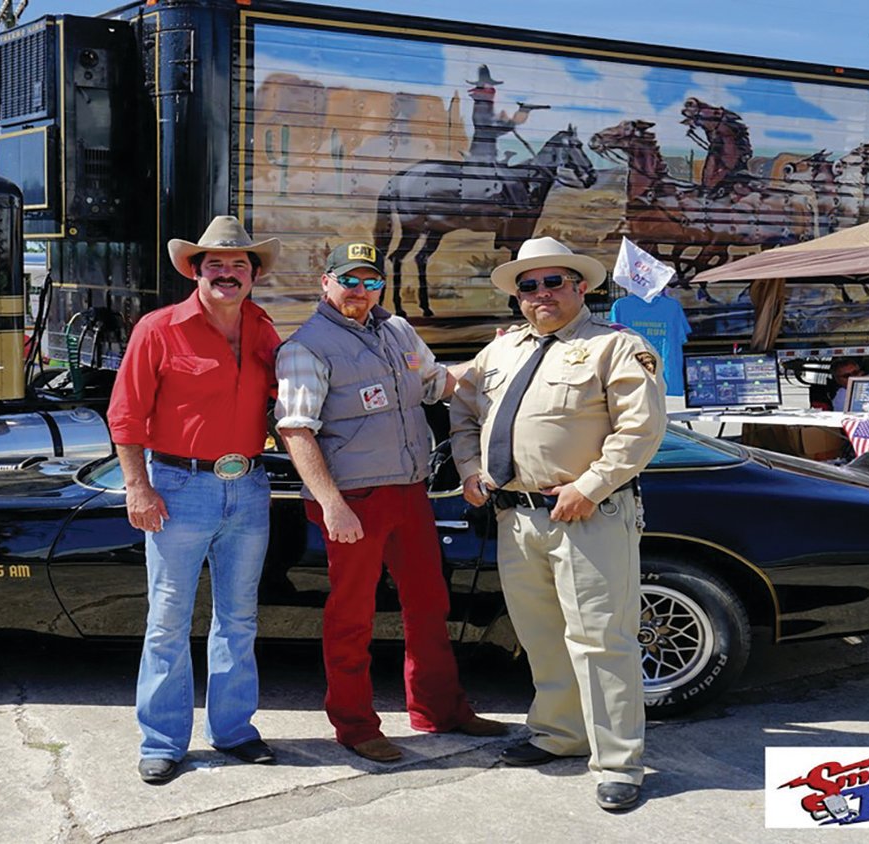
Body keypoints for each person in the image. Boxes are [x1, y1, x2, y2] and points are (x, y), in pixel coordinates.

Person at [449, 237, 665, 812]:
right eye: (529, 285)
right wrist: (470, 468)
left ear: (581, 287)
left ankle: (619, 762)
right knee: (541, 635)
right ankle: (560, 733)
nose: (541, 294)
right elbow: (463, 411)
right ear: (517, 296)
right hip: (518, 518)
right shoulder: (500, 353)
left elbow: (640, 430)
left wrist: (589, 487)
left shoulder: (615, 348)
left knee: (601, 641)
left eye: (554, 282)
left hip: (590, 516)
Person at [274, 242, 508, 763]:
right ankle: (355, 725)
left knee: (429, 605)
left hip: (409, 491)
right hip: (354, 499)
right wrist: (331, 504)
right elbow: (295, 431)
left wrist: (497, 357)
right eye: (349, 280)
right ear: (326, 283)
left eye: (371, 281)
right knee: (351, 616)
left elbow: (437, 385)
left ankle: (439, 710)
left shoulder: (398, 330)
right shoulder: (305, 348)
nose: (360, 291)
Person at [106, 216, 282, 784]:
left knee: (239, 618)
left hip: (249, 486)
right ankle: (161, 741)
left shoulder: (262, 328)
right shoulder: (159, 329)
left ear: (252, 275)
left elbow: (296, 395)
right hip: (179, 488)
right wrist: (138, 485)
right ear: (196, 271)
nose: (227, 273)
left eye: (238, 265)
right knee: (167, 621)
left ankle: (232, 732)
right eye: (216, 265)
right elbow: (126, 415)